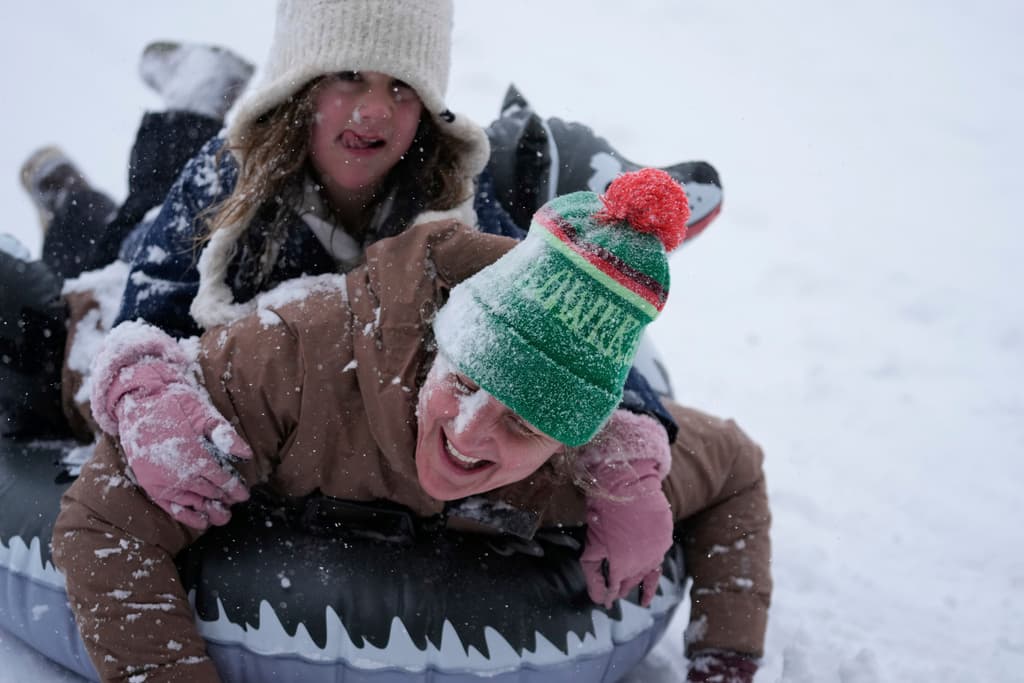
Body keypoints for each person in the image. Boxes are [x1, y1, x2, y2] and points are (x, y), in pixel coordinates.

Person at [53, 170, 771, 683]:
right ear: (443, 341)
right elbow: (99, 520)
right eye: (462, 380)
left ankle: (560, 166)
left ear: (568, 440)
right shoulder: (296, 357)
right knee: (81, 280)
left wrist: (724, 663)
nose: (466, 429)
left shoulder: (581, 469)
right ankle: (66, 189)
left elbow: (736, 467)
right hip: (167, 299)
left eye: (520, 421)